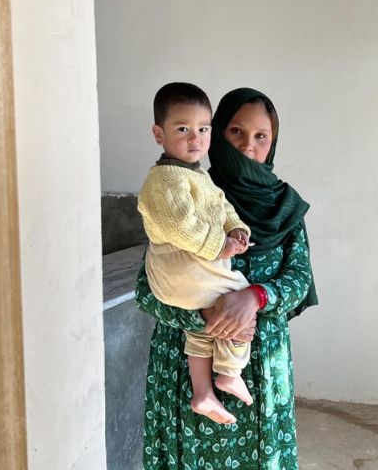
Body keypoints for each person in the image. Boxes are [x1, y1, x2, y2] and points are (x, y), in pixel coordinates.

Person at [135, 87, 318, 469]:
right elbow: (148, 287)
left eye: (261, 136)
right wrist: (203, 317)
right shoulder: (184, 192)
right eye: (236, 131)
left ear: (273, 141)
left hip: (260, 361)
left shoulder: (286, 208)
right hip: (186, 364)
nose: (248, 146)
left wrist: (254, 297)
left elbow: (299, 279)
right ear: (218, 133)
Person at [137, 82, 258, 425]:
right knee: (238, 298)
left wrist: (237, 230)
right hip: (180, 271)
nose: (195, 138)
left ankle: (203, 392)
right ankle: (230, 372)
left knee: (202, 328)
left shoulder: (197, 176)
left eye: (203, 129)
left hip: (188, 276)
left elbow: (222, 208)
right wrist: (221, 247)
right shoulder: (164, 181)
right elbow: (181, 228)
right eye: (183, 129)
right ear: (158, 134)